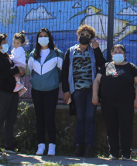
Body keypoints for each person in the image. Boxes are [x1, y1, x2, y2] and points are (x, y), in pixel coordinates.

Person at [61, 25, 106, 158]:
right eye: (83, 34)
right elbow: (64, 72)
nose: (84, 37)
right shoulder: (71, 51)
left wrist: (97, 49)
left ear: (91, 38)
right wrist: (66, 90)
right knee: (80, 118)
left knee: (90, 118)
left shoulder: (93, 51)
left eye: (88, 36)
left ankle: (90, 148)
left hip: (92, 91)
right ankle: (78, 146)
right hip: (77, 90)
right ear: (78, 35)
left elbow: (103, 65)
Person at [92, 44, 137, 160]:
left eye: (120, 51)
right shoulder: (106, 66)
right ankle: (113, 153)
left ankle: (126, 153)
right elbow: (97, 81)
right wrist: (94, 95)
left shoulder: (131, 67)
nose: (117, 52)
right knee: (111, 127)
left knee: (126, 127)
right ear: (111, 54)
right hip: (107, 102)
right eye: (115, 51)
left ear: (124, 54)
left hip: (126, 102)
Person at [28, 28, 63, 156]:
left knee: (49, 117)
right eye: (40, 36)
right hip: (37, 90)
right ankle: (41, 145)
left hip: (51, 91)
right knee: (39, 118)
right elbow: (31, 70)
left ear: (49, 38)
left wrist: (53, 82)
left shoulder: (57, 54)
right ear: (37, 39)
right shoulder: (33, 54)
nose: (43, 38)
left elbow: (61, 71)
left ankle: (52, 146)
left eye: (45, 36)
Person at [0, 32, 24, 153]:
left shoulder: (4, 56)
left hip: (12, 91)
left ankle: (9, 145)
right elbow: (1, 73)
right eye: (3, 43)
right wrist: (15, 70)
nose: (6, 45)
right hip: (2, 91)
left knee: (11, 117)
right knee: (1, 116)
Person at [10, 31, 28, 96]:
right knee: (17, 74)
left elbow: (16, 57)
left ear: (21, 44)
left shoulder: (20, 49)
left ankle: (18, 84)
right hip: (18, 63)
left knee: (15, 72)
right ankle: (22, 87)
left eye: (17, 43)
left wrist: (10, 58)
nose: (15, 44)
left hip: (20, 63)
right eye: (14, 42)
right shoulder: (15, 49)